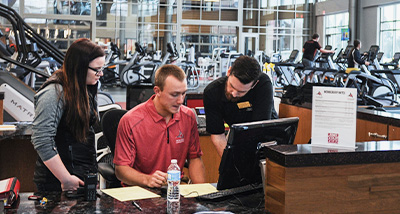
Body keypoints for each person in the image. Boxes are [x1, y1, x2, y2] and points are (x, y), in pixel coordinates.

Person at [114, 64, 206, 188]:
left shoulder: (188, 116)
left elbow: (194, 158)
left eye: (183, 93)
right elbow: (121, 170)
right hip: (139, 191)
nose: (180, 100)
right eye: (174, 95)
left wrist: (202, 193)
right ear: (157, 91)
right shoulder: (131, 121)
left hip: (173, 189)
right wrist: (147, 179)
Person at [31, 38, 105, 192]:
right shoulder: (54, 93)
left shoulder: (84, 88)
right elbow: (42, 139)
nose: (101, 74)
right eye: (97, 69)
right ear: (80, 68)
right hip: (58, 183)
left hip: (80, 176)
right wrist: (65, 178)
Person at [203, 55, 277, 157]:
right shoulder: (212, 92)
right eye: (232, 86)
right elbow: (218, 135)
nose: (234, 94)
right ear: (229, 72)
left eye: (241, 92)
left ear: (254, 85)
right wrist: (228, 163)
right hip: (238, 137)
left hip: (267, 139)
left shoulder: (263, 84)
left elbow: (260, 130)